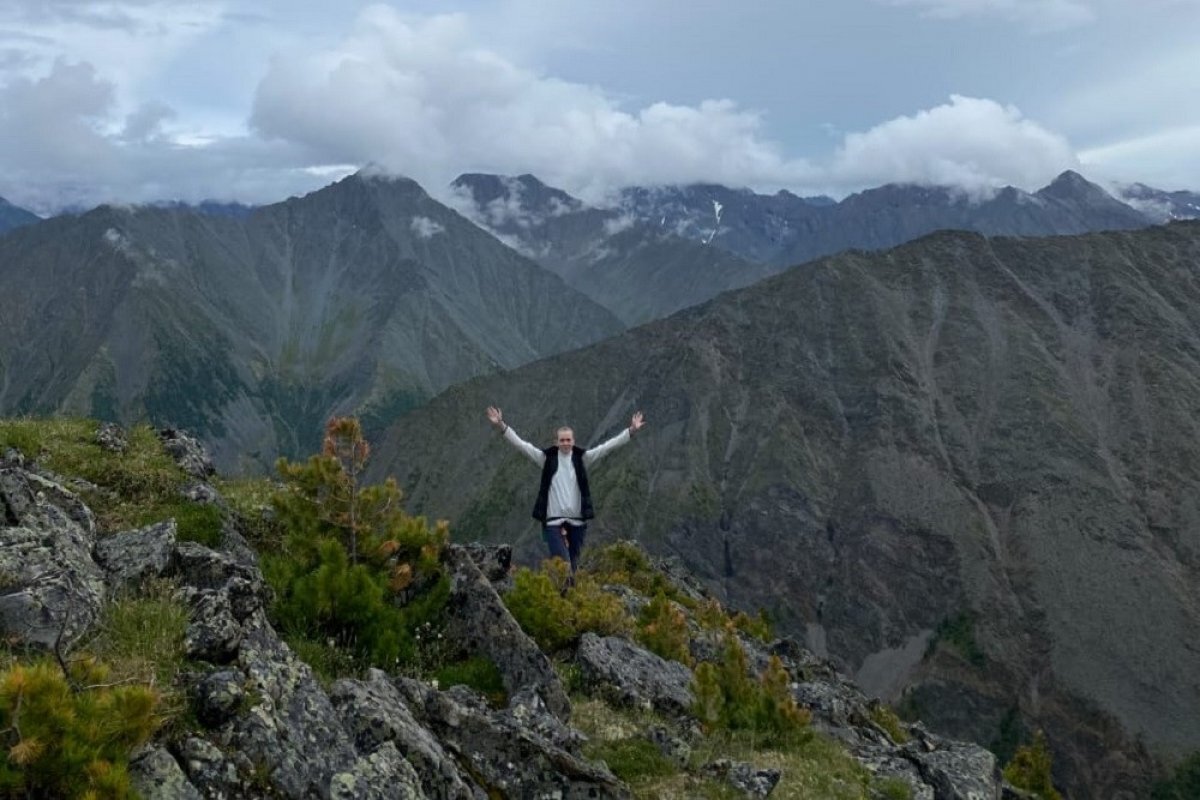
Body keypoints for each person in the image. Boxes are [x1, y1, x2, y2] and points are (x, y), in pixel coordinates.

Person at [486, 406, 645, 574]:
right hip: (553, 522)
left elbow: (607, 447)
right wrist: (501, 426)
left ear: (573, 441)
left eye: (568, 440)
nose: (565, 443)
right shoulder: (546, 459)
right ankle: (563, 592)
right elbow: (522, 446)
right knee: (564, 565)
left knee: (573, 566)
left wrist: (631, 431)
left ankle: (566, 597)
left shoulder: (583, 459)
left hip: (577, 522)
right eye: (562, 440)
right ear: (556, 442)